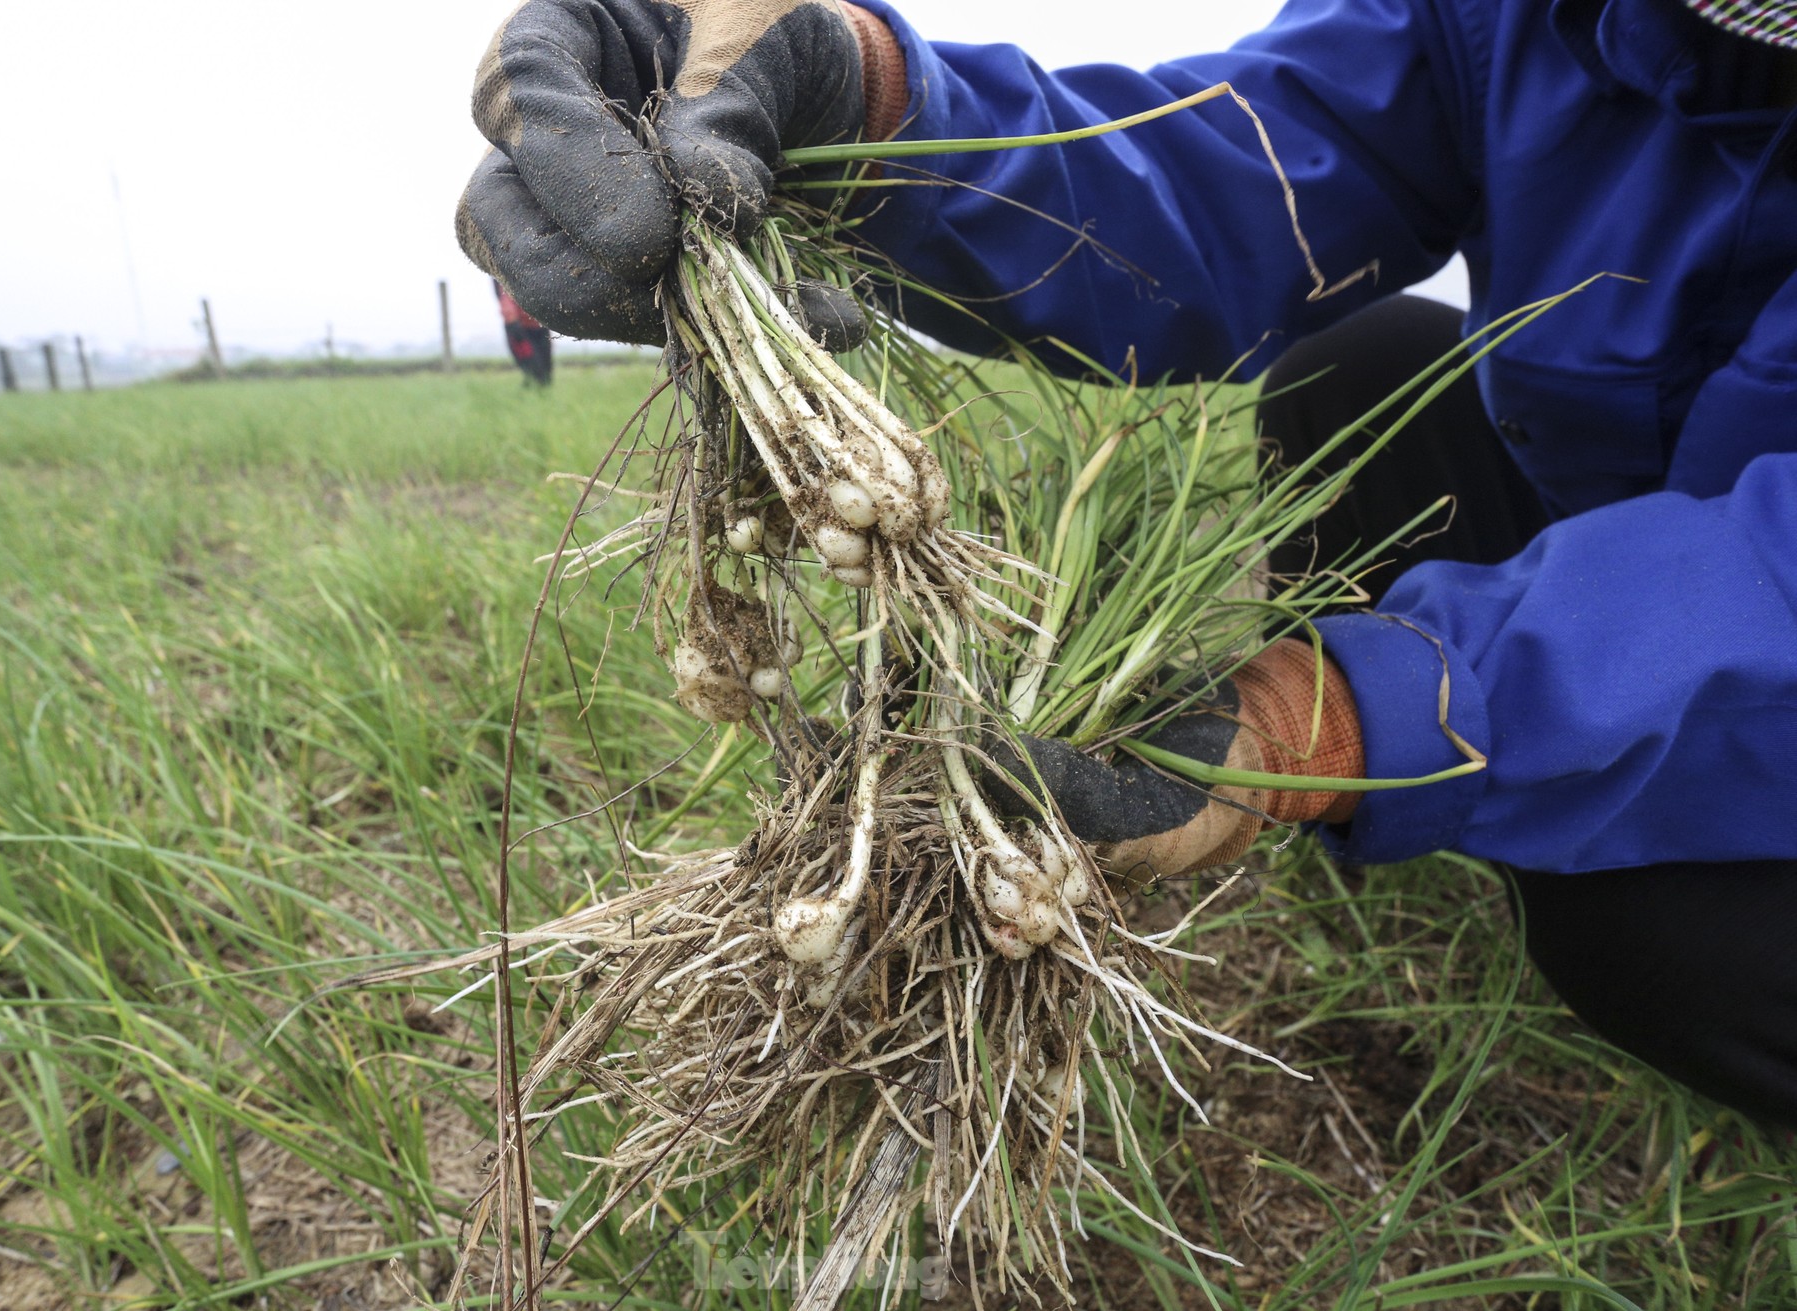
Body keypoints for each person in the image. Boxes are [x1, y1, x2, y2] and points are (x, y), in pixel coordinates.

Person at [454, 0, 1797, 1125]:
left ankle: (1540, 797)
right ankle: (1534, 788)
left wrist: (1334, 720)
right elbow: (1246, 171)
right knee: (1362, 370)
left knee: (1667, 945)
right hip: (1656, 498)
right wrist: (860, 100)